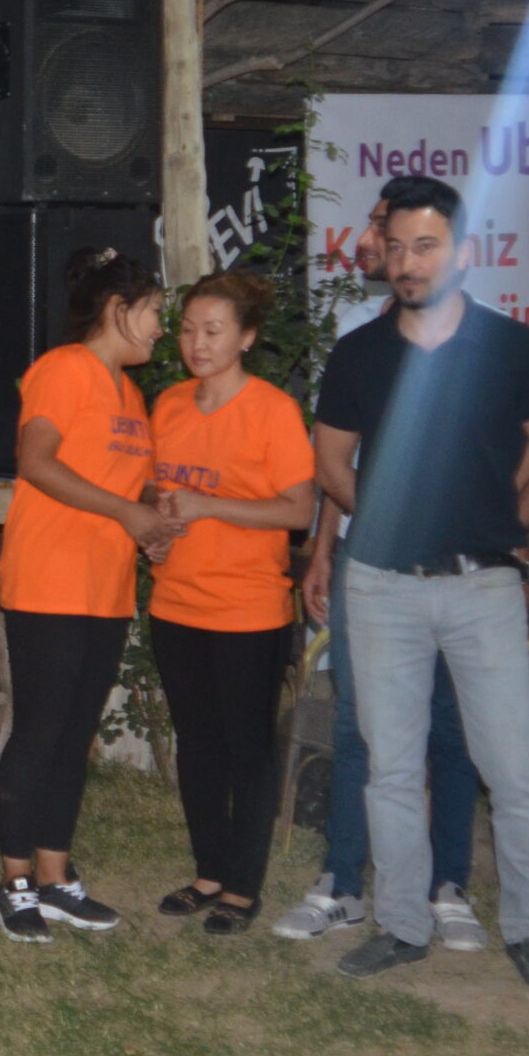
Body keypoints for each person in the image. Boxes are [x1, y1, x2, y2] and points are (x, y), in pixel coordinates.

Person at [314, 172, 529, 992]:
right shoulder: (359, 354)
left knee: (515, 766)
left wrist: (497, 527)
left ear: (463, 252)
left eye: (425, 246)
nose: (407, 263)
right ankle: (401, 924)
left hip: (481, 586)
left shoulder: (512, 348)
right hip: (380, 586)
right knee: (391, 766)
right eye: (396, 247)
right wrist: (388, 522)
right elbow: (329, 461)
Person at [277, 185, 486, 950]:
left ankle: (447, 885)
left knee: (450, 727)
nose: (384, 248)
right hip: (372, 562)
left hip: (459, 569)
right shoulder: (361, 344)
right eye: (385, 236)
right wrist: (324, 549)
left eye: (399, 236)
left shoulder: (487, 345)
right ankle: (342, 882)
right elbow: (339, 461)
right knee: (359, 725)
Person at [0, 248, 165, 943]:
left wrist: (154, 519)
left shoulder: (132, 394)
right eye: (154, 311)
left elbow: (125, 482)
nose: (160, 327)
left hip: (106, 587)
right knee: (40, 733)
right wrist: (128, 513)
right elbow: (36, 461)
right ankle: (14, 883)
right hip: (49, 579)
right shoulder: (64, 369)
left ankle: (56, 877)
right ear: (119, 309)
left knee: (73, 736)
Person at [146, 271, 317, 935]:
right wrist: (156, 530)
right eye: (189, 329)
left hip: (248, 608)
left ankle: (243, 887)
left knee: (248, 749)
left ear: (246, 337)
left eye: (214, 331)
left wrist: (209, 505)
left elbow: (298, 510)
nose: (198, 343)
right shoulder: (169, 405)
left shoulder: (273, 410)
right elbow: (159, 495)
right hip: (176, 603)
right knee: (198, 746)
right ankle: (208, 872)